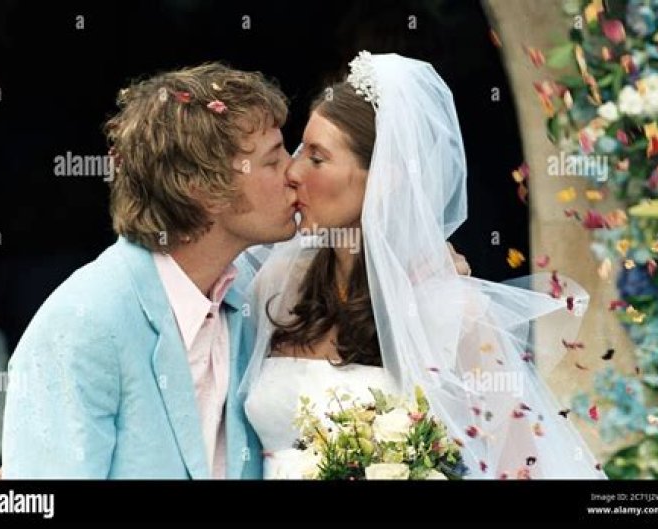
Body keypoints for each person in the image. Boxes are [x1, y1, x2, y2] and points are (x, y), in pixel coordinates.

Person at [243, 51, 607, 479]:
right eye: (300, 149)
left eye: (317, 158)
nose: (293, 170)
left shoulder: (456, 314)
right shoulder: (279, 284)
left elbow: (517, 466)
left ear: (385, 176)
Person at [1, 63, 298, 478]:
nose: (294, 171)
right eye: (273, 159)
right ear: (204, 190)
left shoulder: (249, 297)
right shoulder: (83, 321)